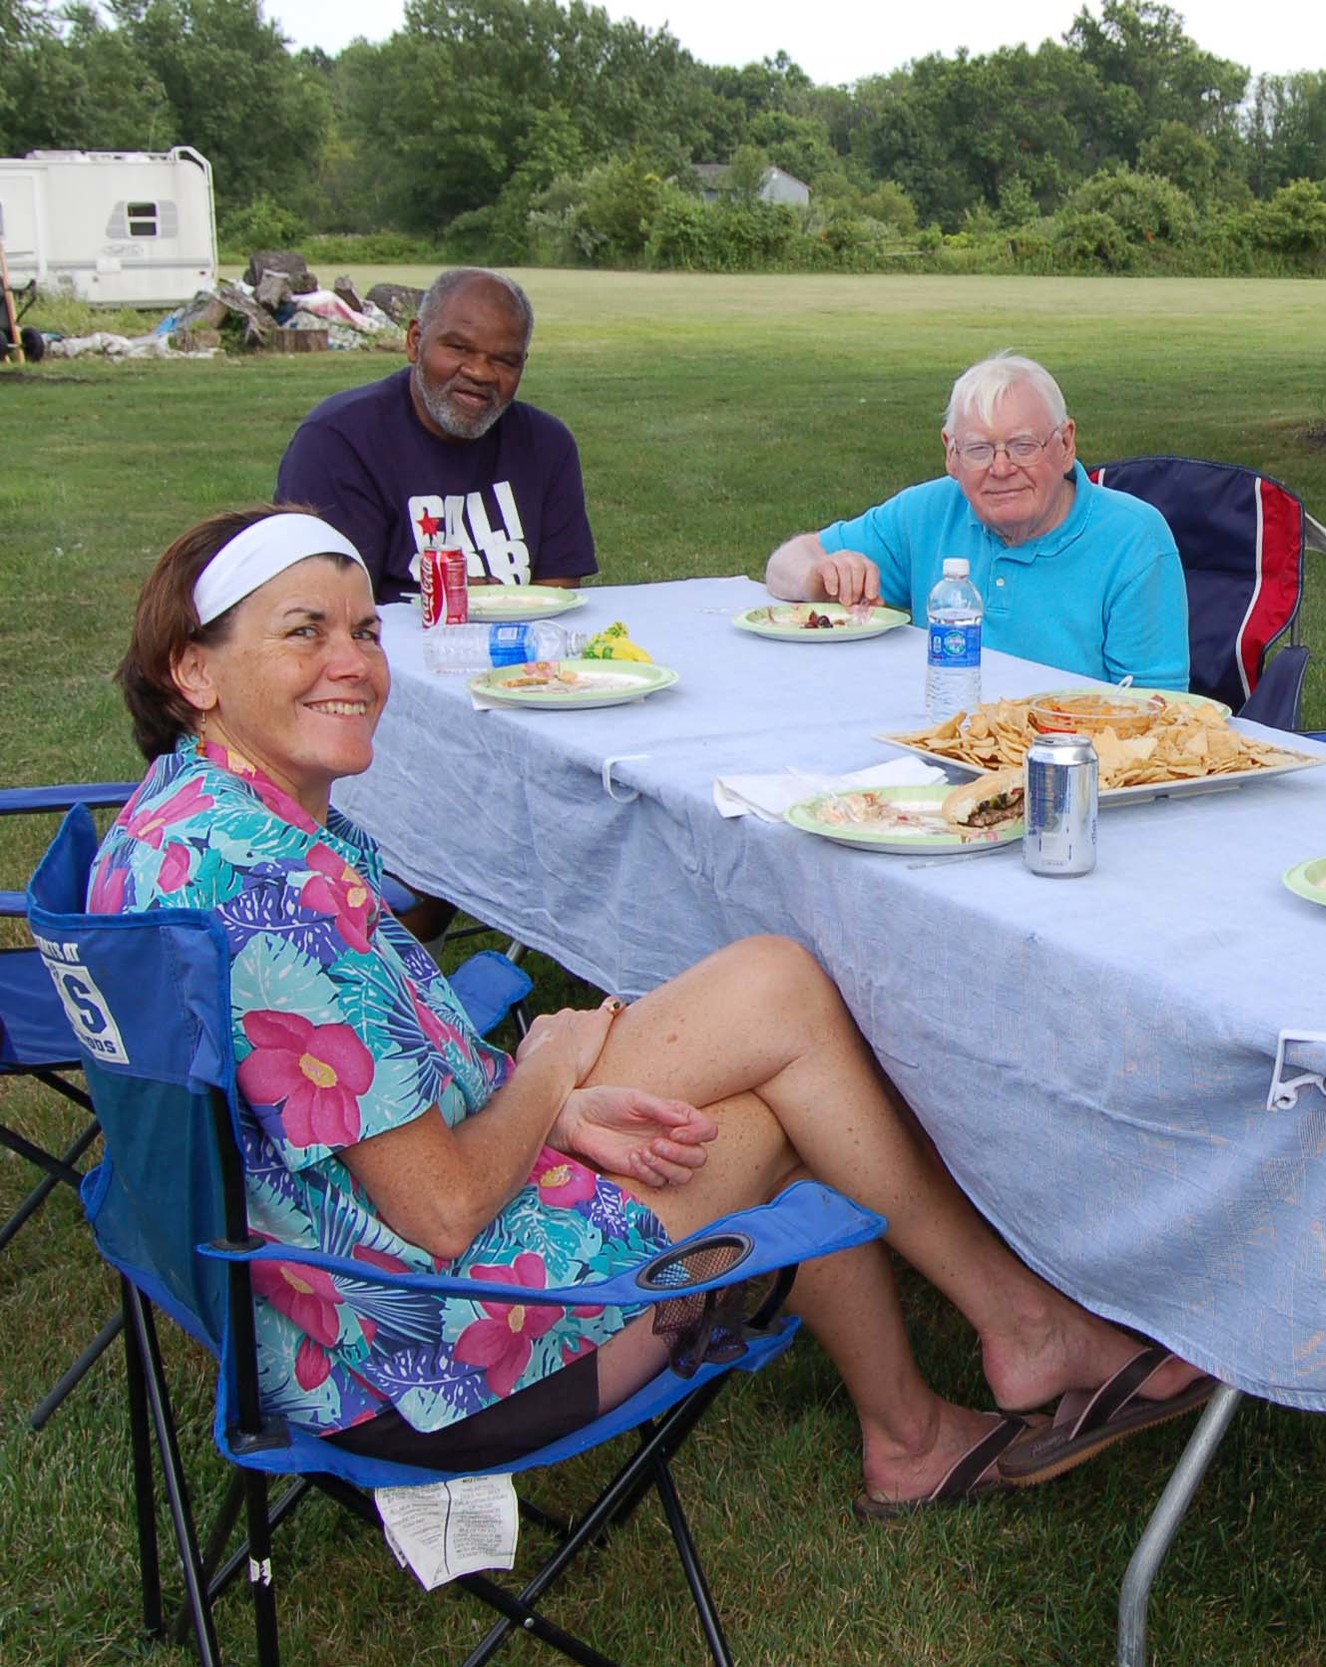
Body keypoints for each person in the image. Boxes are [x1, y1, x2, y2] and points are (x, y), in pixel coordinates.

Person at [94, 506, 1209, 1510]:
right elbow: (437, 1211)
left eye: (364, 630)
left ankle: (990, 1358)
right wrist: (546, 1070)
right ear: (195, 668)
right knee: (791, 1107)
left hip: (293, 1276)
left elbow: (355, 1093)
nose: (353, 662)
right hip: (418, 1342)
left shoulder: (186, 820)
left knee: (775, 983)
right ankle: (966, 1385)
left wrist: (558, 1110)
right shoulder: (276, 890)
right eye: (303, 631)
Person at [762, 351, 1189, 690]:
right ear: (951, 453)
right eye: (980, 450)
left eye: (1023, 446)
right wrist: (819, 578)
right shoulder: (928, 512)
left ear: (1065, 444)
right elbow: (786, 562)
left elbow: (1160, 714)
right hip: (938, 748)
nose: (1001, 468)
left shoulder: (1135, 540)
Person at [276, 268, 595, 605]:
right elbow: (325, 607)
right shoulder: (338, 442)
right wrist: (453, 605)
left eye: (504, 361)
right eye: (459, 349)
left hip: (515, 652)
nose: (480, 373)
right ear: (415, 341)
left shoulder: (546, 444)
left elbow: (555, 599)